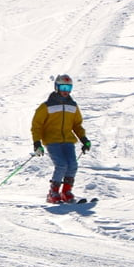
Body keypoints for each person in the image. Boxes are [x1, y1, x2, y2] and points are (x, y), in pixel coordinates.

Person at [31, 74, 91, 203]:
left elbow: (77, 125)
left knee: (73, 165)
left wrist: (84, 139)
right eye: (63, 87)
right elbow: (37, 126)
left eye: (68, 88)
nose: (65, 91)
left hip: (68, 141)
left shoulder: (73, 106)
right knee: (61, 165)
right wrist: (37, 143)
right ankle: (53, 192)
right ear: (56, 87)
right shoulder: (46, 106)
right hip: (52, 141)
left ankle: (66, 191)